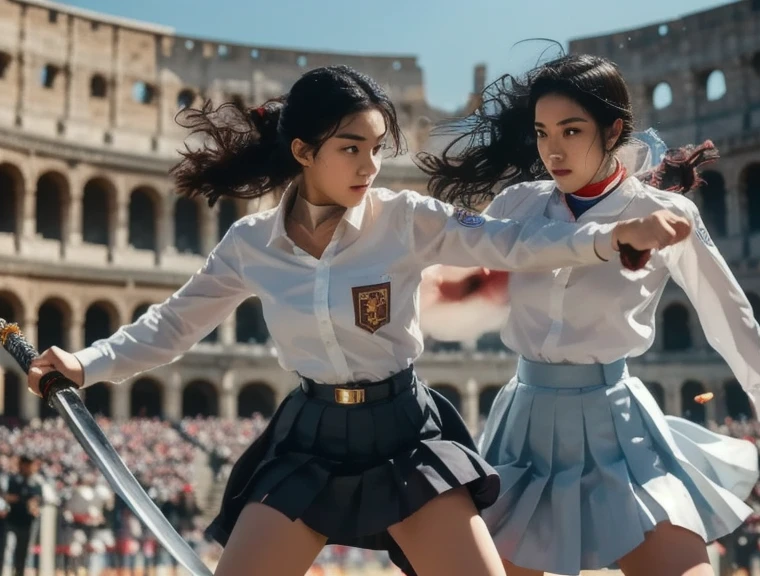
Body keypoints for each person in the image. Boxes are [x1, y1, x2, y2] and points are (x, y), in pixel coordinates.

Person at [26, 65, 690, 576]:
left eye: (376, 148)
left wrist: (608, 236)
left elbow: (510, 244)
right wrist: (86, 363)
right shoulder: (250, 244)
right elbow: (171, 325)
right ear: (303, 151)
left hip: (403, 434)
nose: (370, 166)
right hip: (310, 441)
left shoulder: (405, 218)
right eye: (352, 148)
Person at [416, 53, 760, 576]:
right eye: (541, 133)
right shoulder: (516, 205)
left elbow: (729, 316)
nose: (552, 150)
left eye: (571, 130)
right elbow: (453, 303)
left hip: (618, 425)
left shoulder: (665, 213)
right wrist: (461, 292)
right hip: (525, 428)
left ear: (613, 129)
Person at [4, 455, 43, 576]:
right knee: (8, 549)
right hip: (11, 520)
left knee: (22, 552)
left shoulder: (36, 482)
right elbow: (8, 497)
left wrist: (33, 504)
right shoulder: (13, 479)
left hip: (27, 522)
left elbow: (38, 500)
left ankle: (19, 573)